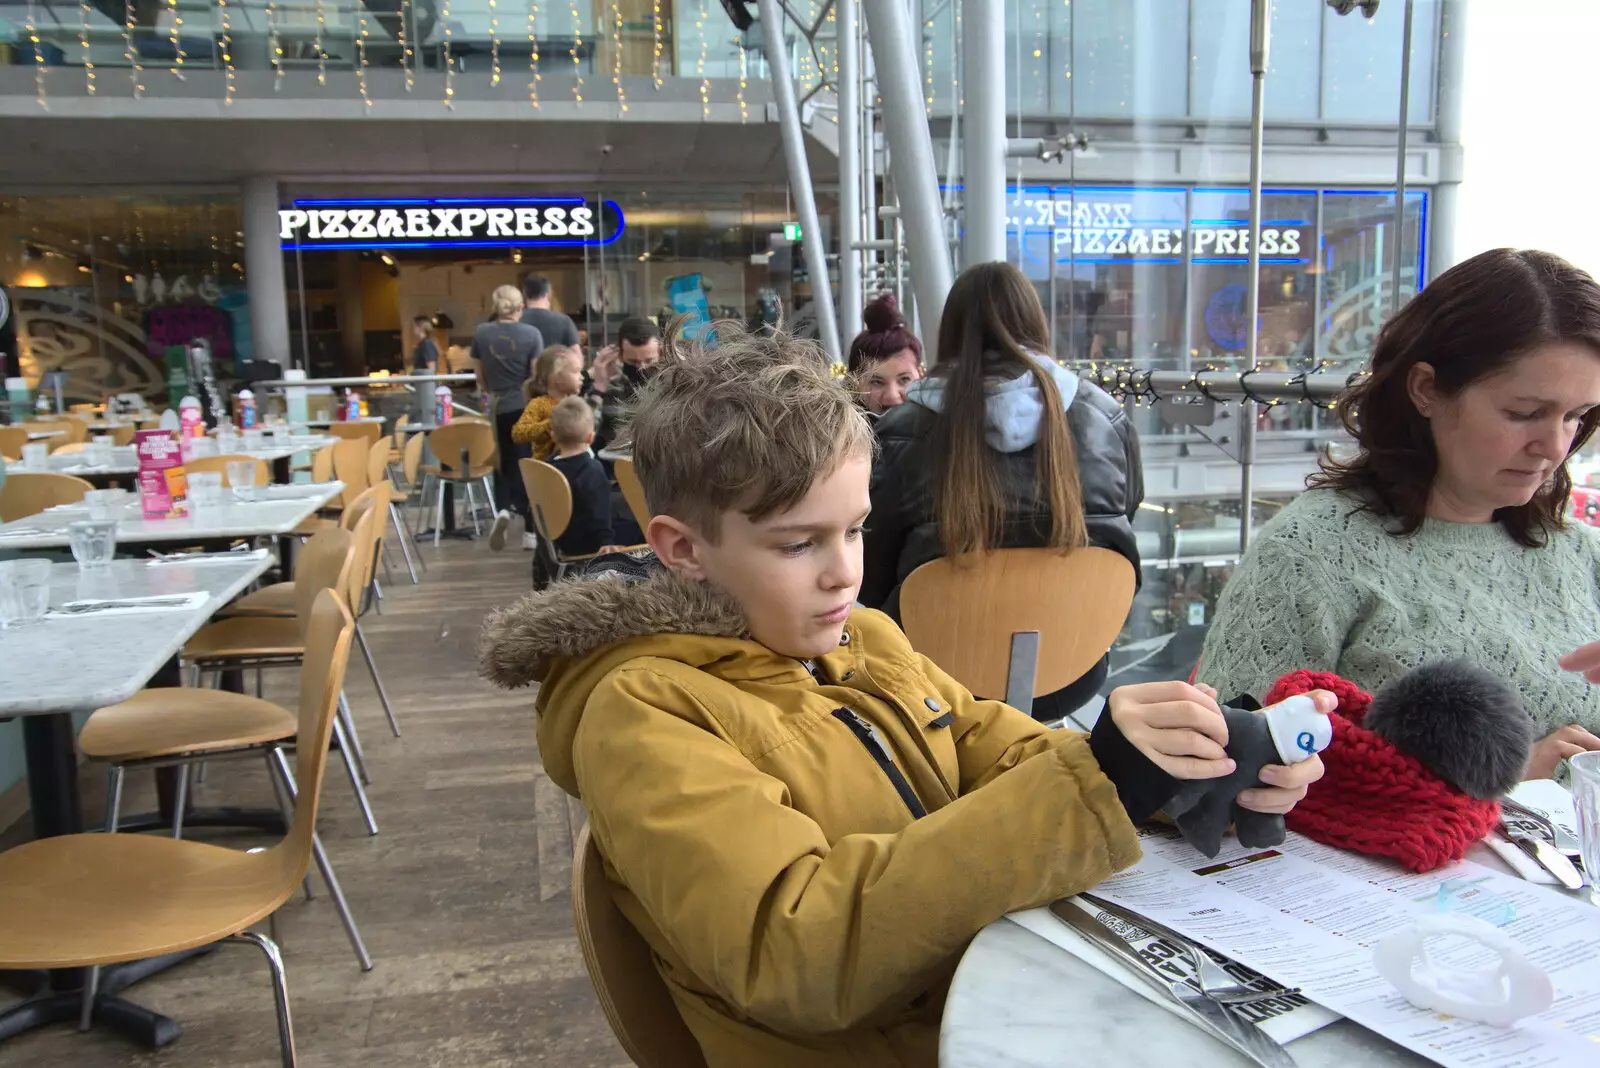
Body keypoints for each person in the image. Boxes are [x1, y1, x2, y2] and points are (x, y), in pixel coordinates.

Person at [478, 326, 1324, 1068]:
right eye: (798, 543)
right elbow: (797, 949)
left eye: (853, 529)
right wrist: (1099, 787)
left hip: (984, 1007)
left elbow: (1006, 751)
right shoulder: (647, 713)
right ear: (684, 548)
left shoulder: (865, 640)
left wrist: (1174, 769)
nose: (844, 569)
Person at [1197, 248, 1600, 780]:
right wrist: (1507, 780)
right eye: (1524, 414)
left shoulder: (1578, 551)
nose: (1554, 446)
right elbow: (1228, 771)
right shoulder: (1312, 553)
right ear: (1426, 389)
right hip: (1382, 862)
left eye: (1577, 416)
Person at [861, 261, 1143, 720]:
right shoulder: (1106, 420)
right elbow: (1121, 535)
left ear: (949, 334)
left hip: (932, 676)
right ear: (1036, 323)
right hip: (1070, 669)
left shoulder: (900, 433)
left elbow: (871, 579)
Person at [473, 284, 545, 550]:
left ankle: (503, 509)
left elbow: (479, 377)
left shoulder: (482, 333)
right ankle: (529, 532)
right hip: (524, 406)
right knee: (527, 463)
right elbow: (536, 376)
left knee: (502, 461)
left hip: (498, 406)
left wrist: (493, 389)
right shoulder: (532, 334)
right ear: (520, 306)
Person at [543, 396, 643, 557]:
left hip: (561, 540)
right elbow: (599, 512)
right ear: (591, 437)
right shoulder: (592, 470)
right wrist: (606, 542)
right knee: (642, 528)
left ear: (553, 436)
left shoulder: (548, 467)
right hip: (592, 543)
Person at [590, 316, 662, 448]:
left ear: (661, 353)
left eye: (649, 360)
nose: (641, 367)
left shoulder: (672, 383)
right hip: (616, 461)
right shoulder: (609, 383)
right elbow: (579, 435)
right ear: (619, 354)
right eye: (633, 361)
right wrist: (599, 386)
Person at [846, 293, 923, 415]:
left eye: (904, 379)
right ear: (854, 384)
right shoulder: (835, 432)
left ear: (920, 375)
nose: (892, 396)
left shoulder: (945, 429)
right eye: (876, 382)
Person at [520, 273, 582, 349]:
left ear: (525, 294)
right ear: (549, 294)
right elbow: (576, 354)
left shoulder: (516, 319)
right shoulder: (564, 321)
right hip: (554, 361)